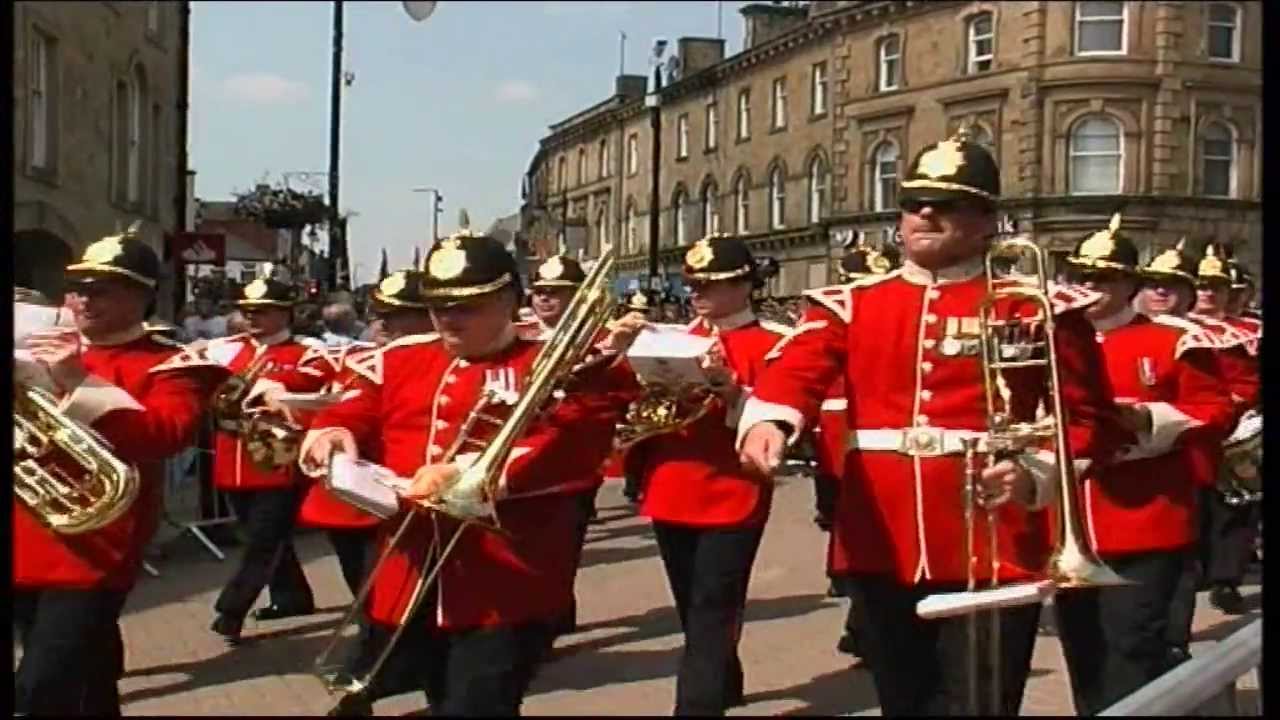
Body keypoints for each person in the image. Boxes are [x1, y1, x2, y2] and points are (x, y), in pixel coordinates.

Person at [737, 129, 1127, 716]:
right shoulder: (852, 304)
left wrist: (1036, 474)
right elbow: (796, 370)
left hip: (992, 540)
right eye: (913, 200)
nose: (923, 212)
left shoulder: (1036, 305)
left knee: (981, 703)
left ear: (986, 219)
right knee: (903, 701)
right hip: (880, 540)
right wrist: (770, 422)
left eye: (945, 203)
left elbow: (1093, 420)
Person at [297, 231, 637, 716]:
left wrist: (466, 473)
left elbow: (578, 439)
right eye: (439, 307)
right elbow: (353, 405)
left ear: (506, 300)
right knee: (439, 695)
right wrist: (332, 432)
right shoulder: (402, 357)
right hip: (411, 570)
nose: (448, 320)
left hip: (506, 579)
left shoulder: (557, 361)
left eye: (466, 307)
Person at [15, 230, 226, 715]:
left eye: (101, 288)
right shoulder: (39, 346)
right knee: (85, 677)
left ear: (141, 295)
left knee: (39, 684)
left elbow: (165, 434)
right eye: (77, 287)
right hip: (26, 528)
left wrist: (75, 380)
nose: (83, 299)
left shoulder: (171, 362)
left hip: (98, 541)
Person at [1050, 217, 1235, 716]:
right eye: (1080, 277)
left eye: (1102, 278)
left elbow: (1214, 409)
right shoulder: (1047, 341)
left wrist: (1147, 420)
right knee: (1084, 650)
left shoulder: (1171, 340)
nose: (1088, 288)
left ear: (1130, 284)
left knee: (1133, 646)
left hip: (1144, 520)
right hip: (1069, 521)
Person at [613, 234, 788, 716]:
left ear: (744, 285)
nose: (697, 294)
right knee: (693, 605)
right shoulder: (672, 339)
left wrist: (730, 389)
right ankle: (722, 679)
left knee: (714, 606)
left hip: (733, 487)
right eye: (693, 285)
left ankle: (697, 704)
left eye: (711, 284)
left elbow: (778, 413)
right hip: (671, 483)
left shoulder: (773, 342)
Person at [204, 273, 329, 644]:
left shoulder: (306, 350)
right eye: (248, 311)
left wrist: (274, 383)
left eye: (263, 311)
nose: (252, 318)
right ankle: (293, 596)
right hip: (234, 458)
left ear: (286, 313)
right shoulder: (225, 348)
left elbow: (317, 377)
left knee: (262, 540)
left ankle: (232, 609)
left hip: (277, 459)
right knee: (266, 537)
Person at [527, 254, 607, 639]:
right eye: (540, 293)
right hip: (521, 460)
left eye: (555, 294)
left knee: (561, 548)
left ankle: (556, 613)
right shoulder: (514, 336)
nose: (544, 300)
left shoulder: (599, 340)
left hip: (574, 462)